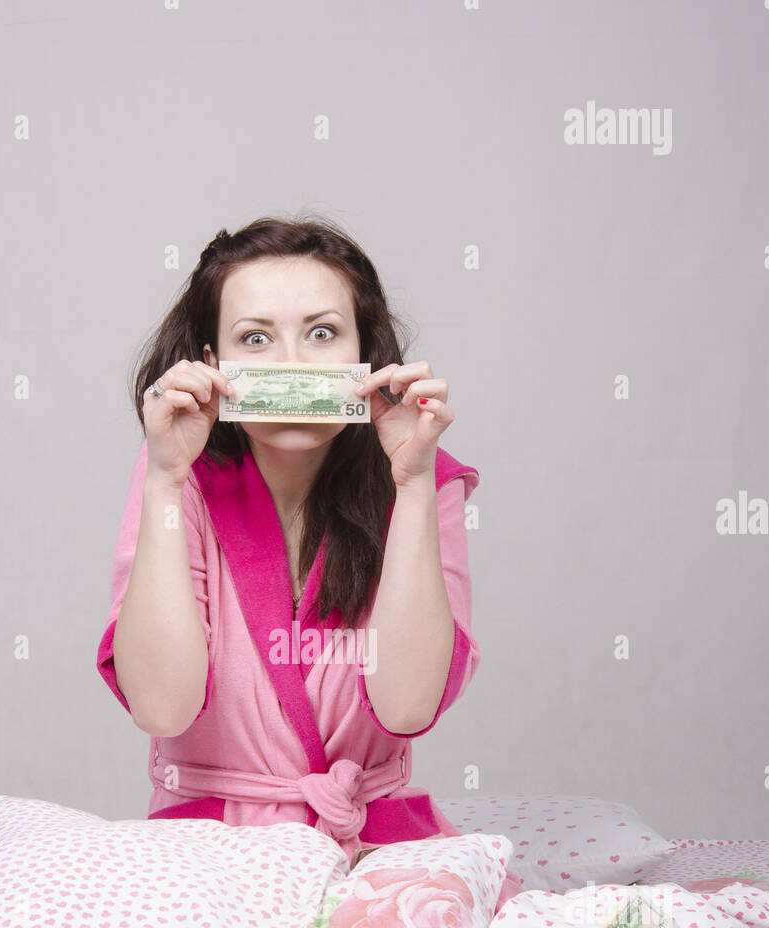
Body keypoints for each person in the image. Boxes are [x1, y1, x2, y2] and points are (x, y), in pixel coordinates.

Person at [96, 214, 481, 868]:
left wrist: (412, 486)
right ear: (213, 365)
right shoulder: (176, 474)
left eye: (323, 333)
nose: (294, 364)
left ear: (365, 356)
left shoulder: (424, 479)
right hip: (208, 856)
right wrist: (164, 479)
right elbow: (161, 706)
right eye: (256, 338)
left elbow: (409, 706)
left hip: (374, 851)